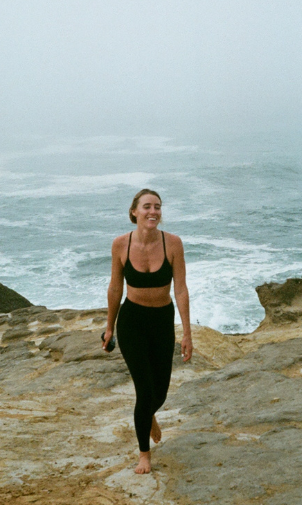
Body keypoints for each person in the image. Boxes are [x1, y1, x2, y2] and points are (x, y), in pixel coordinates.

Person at [102, 188, 193, 474]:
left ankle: (149, 413)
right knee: (145, 390)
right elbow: (116, 288)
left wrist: (187, 333)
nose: (153, 211)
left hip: (162, 321)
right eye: (147, 207)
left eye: (157, 207)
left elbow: (180, 289)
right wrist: (108, 327)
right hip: (132, 321)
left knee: (161, 392)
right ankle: (144, 455)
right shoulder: (120, 244)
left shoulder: (173, 244)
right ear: (134, 212)